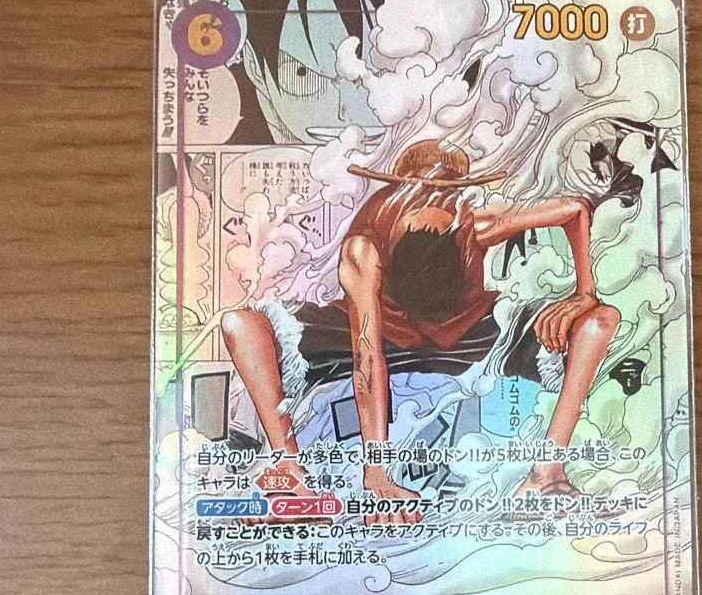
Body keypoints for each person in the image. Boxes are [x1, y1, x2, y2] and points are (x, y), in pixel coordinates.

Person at [220, 139, 621, 505]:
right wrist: (377, 474)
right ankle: (289, 470)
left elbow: (575, 209)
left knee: (600, 320)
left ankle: (547, 469)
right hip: (382, 334)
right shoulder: (364, 248)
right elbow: (367, 358)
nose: (433, 201)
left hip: (467, 337)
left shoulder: (473, 222)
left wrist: (584, 292)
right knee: (241, 325)